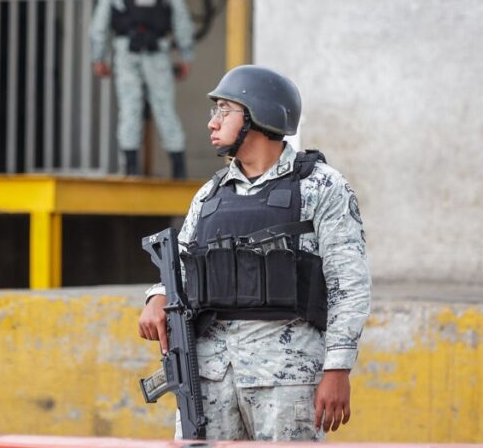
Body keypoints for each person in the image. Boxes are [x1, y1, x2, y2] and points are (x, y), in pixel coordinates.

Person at [137, 65, 371, 441]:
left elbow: (349, 283)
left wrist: (338, 368)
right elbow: (182, 263)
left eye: (224, 110)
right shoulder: (211, 194)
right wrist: (157, 295)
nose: (212, 123)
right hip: (209, 379)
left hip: (286, 377)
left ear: (258, 115)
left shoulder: (321, 186)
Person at [89, 0, 195, 178]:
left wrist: (98, 56)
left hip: (126, 51)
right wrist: (186, 56)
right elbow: (182, 20)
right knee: (165, 108)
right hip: (157, 51)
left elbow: (99, 22)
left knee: (130, 108)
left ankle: (131, 172)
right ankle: (179, 173)